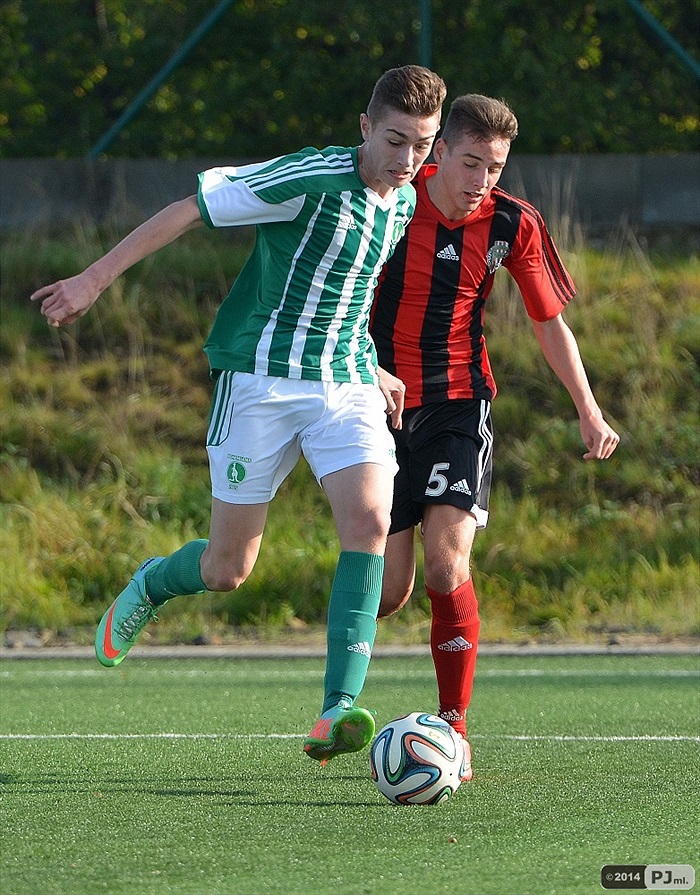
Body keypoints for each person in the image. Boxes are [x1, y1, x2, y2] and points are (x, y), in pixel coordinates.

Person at [31, 65, 447, 765]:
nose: (408, 159)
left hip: (345, 384)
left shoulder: (402, 200)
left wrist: (370, 362)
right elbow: (191, 207)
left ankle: (335, 711)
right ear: (366, 126)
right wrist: (93, 279)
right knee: (228, 568)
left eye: (423, 145)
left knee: (371, 522)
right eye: (396, 140)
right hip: (259, 381)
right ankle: (153, 582)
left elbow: (347, 288)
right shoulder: (309, 178)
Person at [369, 94, 620, 780]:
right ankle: (339, 705)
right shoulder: (392, 199)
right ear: (440, 152)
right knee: (388, 593)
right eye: (471, 162)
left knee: (447, 564)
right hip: (377, 405)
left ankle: (453, 726)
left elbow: (548, 320)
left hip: (458, 405)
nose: (481, 178)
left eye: (495, 166)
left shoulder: (514, 221)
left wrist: (588, 409)